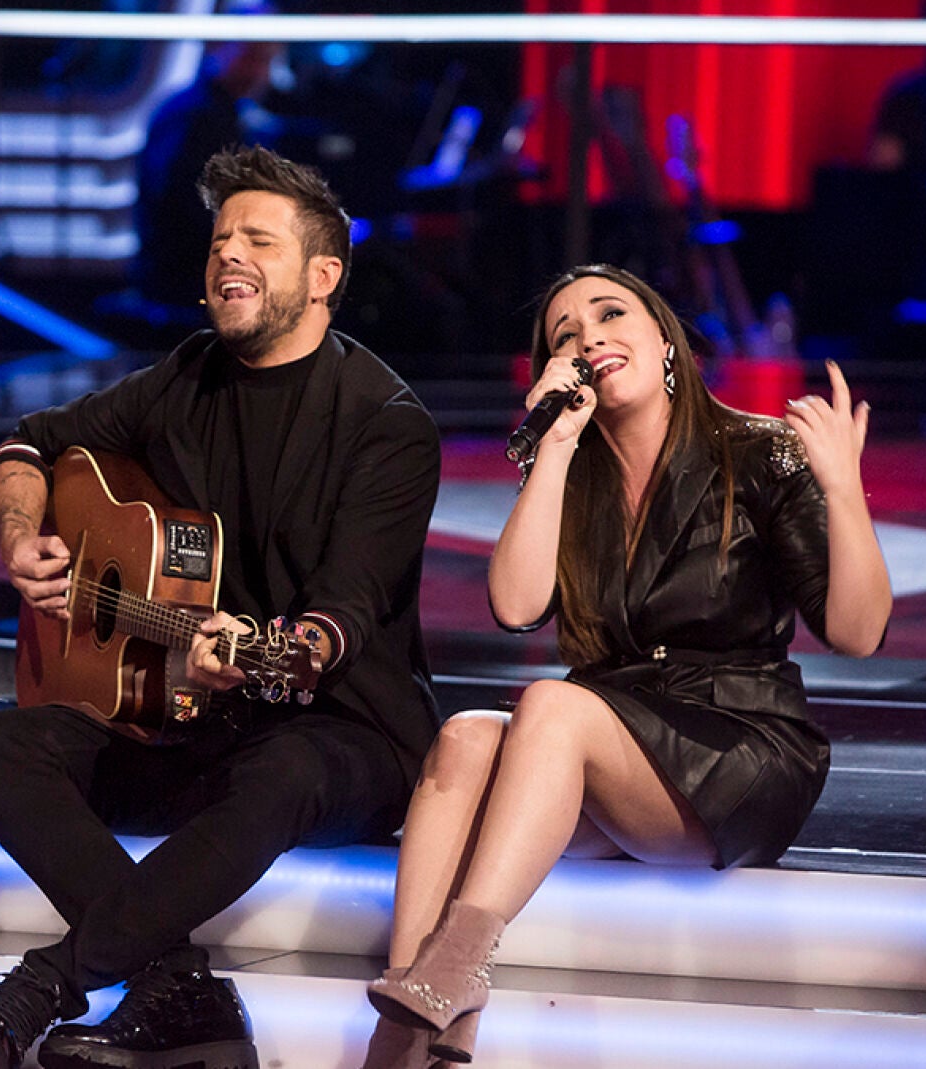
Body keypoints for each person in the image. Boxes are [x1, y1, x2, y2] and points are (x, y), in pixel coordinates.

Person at [0, 146, 443, 1069]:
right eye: (218, 240)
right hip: (188, 715)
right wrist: (20, 538)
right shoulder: (186, 375)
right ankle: (182, 987)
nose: (227, 257)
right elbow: (30, 443)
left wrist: (271, 648)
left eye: (258, 239)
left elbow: (345, 612)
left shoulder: (386, 422)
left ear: (324, 275)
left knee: (283, 768)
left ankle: (48, 982)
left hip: (338, 726)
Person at [361, 264, 892, 1067]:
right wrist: (557, 443)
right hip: (608, 745)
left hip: (740, 746)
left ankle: (460, 960)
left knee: (552, 704)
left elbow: (856, 631)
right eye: (565, 335)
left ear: (664, 342)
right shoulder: (569, 468)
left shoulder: (758, 452)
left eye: (611, 314)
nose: (589, 338)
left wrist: (844, 493)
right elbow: (514, 604)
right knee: (469, 736)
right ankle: (408, 1028)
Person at [132, 9, 282, 310]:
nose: (261, 72)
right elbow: (187, 206)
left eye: (267, 59)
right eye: (253, 56)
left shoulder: (225, 115)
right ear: (217, 48)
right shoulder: (194, 117)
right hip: (183, 280)